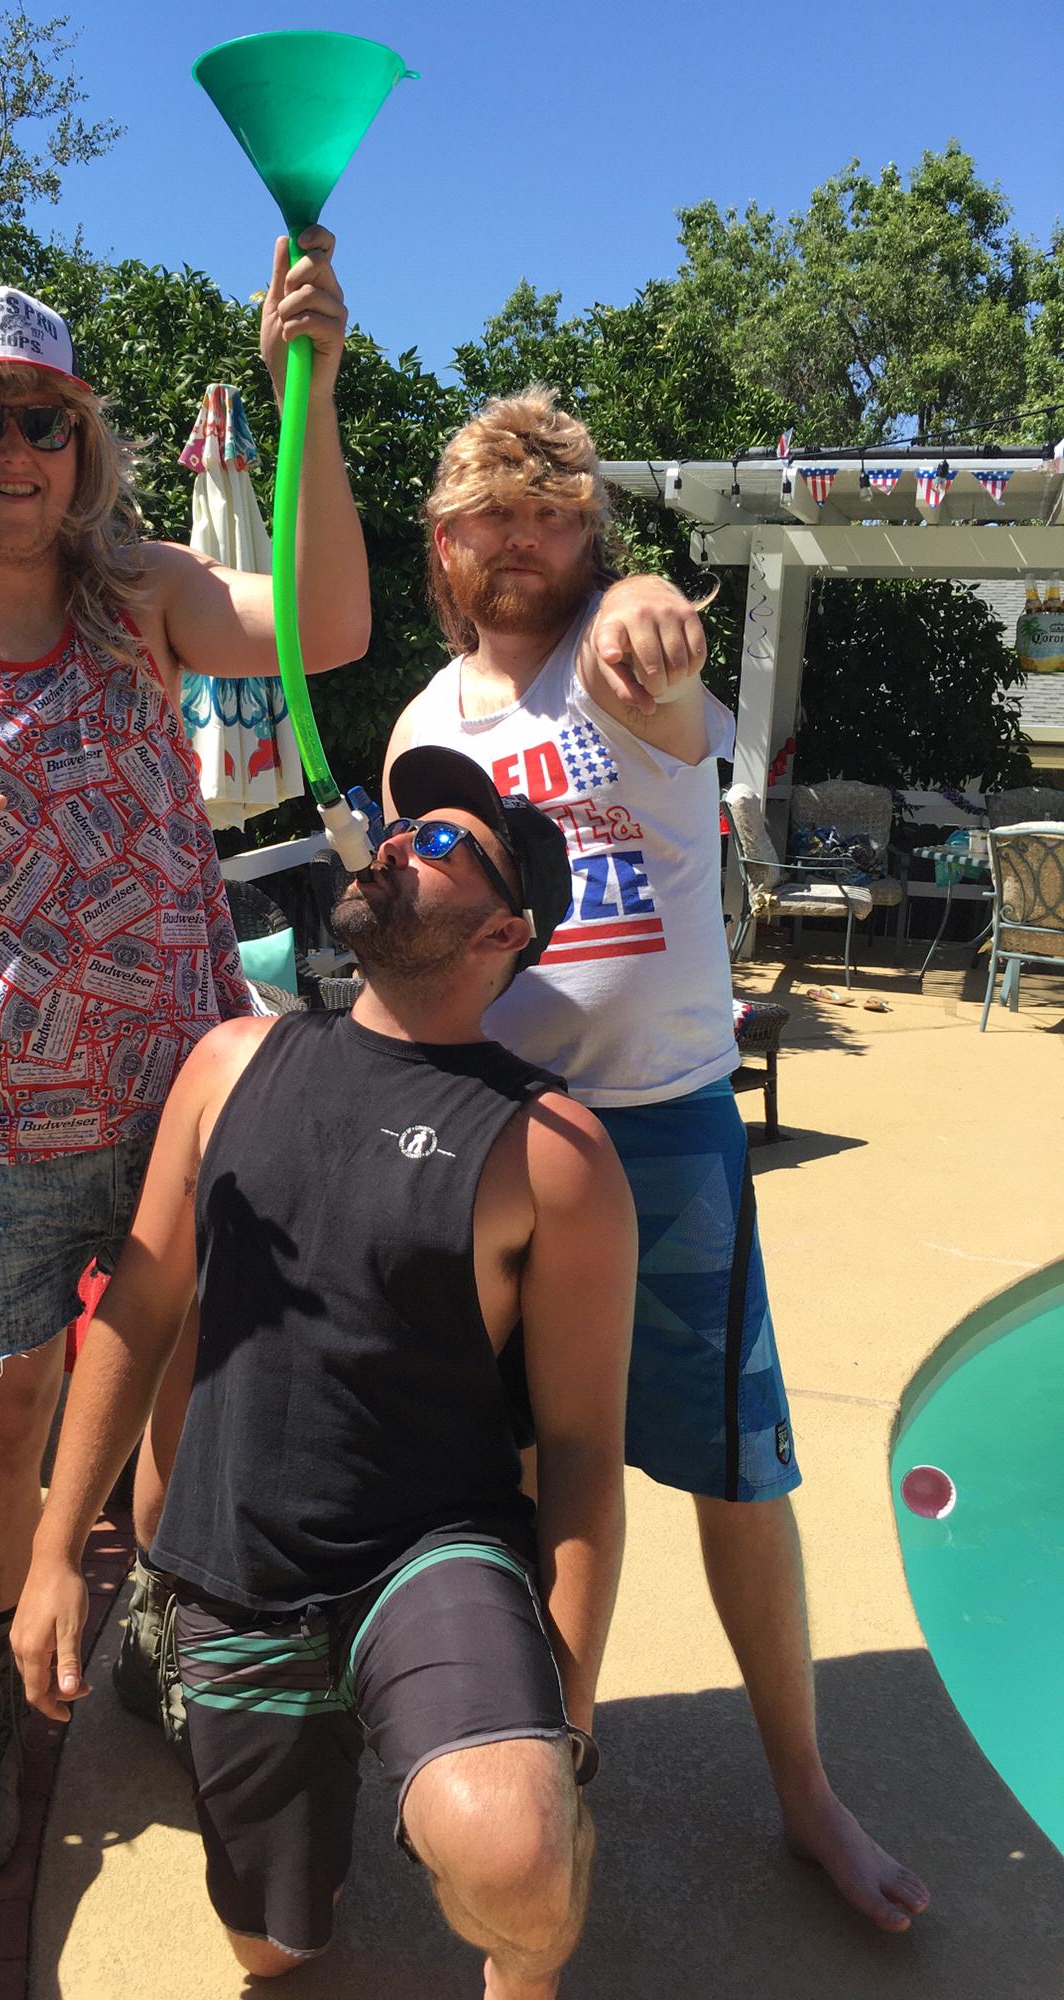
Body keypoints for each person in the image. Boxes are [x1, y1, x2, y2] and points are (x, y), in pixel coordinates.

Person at [0, 234, 369, 1876]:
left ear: (80, 444)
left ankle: (163, 1637)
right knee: (6, 1416)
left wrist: (308, 393)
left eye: (44, 421)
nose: (16, 452)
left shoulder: (144, 599)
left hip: (176, 1097)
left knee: (191, 1379)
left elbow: (327, 627)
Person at [383, 384, 930, 1932]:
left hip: (667, 1132)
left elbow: (660, 664)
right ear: (440, 541)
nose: (521, 539)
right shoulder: (424, 727)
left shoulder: (625, 659)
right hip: (498, 1131)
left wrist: (648, 615)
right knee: (513, 1474)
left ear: (594, 534)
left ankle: (807, 1793)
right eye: (490, 513)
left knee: (738, 1476)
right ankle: (550, 1757)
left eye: (554, 513)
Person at [13, 746, 637, 1997]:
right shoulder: (229, 1064)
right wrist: (55, 1548)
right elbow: (138, 1307)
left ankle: (525, 1944)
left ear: (505, 930)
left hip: (428, 1552)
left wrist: (563, 1725)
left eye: (443, 840)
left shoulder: (553, 1151)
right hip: (237, 1575)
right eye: (397, 822)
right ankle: (343, 1769)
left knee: (516, 1855)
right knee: (276, 1948)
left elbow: (579, 1452)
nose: (394, 839)